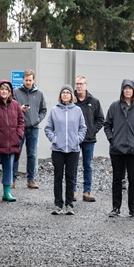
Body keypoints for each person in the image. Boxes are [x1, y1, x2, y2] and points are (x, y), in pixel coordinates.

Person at [104, 79, 134, 219]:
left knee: (133, 180)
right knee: (117, 180)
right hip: (117, 150)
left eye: (130, 88)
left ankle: (133, 209)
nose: (128, 91)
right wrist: (112, 140)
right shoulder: (114, 106)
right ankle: (116, 208)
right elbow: (107, 125)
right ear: (122, 90)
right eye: (126, 88)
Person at [45, 85, 86, 215]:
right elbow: (48, 128)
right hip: (58, 149)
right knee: (58, 177)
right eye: (63, 92)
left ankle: (69, 204)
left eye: (68, 92)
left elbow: (83, 128)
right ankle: (58, 204)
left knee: (70, 177)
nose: (66, 94)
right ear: (60, 95)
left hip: (73, 149)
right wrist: (54, 139)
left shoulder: (77, 110)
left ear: (71, 95)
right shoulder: (54, 110)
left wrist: (77, 139)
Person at [0, 80, 24, 203]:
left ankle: (7, 193)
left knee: (9, 168)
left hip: (11, 143)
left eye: (6, 90)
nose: (4, 91)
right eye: (2, 89)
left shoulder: (15, 105)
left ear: (10, 92)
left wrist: (18, 135)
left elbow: (21, 121)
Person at [12, 69, 47, 189]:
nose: (28, 82)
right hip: (19, 128)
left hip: (33, 128)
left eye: (30, 80)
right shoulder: (16, 92)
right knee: (16, 153)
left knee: (31, 154)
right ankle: (12, 179)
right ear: (23, 79)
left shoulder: (39, 94)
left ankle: (31, 180)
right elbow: (10, 109)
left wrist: (37, 120)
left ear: (34, 80)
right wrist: (19, 110)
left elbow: (44, 110)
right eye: (26, 80)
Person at [73, 75, 104, 202]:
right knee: (72, 165)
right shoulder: (72, 100)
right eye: (77, 84)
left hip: (89, 139)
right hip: (73, 139)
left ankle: (87, 191)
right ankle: (72, 191)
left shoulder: (94, 101)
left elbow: (101, 119)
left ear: (86, 85)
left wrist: (92, 130)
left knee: (88, 165)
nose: (79, 86)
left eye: (81, 84)